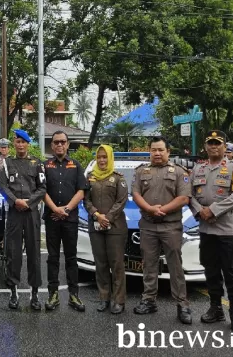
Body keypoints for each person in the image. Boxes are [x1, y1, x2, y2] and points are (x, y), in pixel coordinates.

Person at [190, 130, 233, 332]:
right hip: (207, 230)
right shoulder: (198, 169)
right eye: (210, 143)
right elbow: (189, 196)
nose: (214, 146)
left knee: (231, 273)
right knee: (211, 272)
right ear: (205, 147)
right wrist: (200, 211)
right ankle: (216, 308)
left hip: (229, 232)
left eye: (218, 143)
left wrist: (213, 210)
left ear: (224, 147)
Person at [132, 136, 192, 324]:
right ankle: (149, 300)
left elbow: (184, 198)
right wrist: (150, 209)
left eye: (160, 150)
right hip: (148, 225)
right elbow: (135, 194)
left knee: (175, 266)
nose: (157, 153)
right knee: (148, 264)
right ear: (149, 151)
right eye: (153, 150)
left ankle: (182, 304)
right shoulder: (141, 171)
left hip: (170, 226)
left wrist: (162, 210)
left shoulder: (179, 172)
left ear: (168, 152)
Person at [0, 129, 46, 311]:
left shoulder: (37, 163)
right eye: (17, 142)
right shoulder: (7, 163)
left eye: (23, 142)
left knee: (34, 252)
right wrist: (15, 201)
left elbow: (42, 187)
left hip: (31, 211)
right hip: (14, 212)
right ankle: (13, 292)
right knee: (13, 252)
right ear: (14, 144)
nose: (20, 145)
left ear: (28, 144)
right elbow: (3, 186)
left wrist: (29, 202)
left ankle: (34, 294)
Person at [43, 131, 87, 312]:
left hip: (70, 219)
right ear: (52, 146)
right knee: (52, 258)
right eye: (56, 142)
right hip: (52, 218)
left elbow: (81, 191)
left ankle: (73, 295)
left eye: (63, 142)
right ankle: (53, 294)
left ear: (68, 144)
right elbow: (41, 190)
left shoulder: (75, 165)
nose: (59, 145)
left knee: (71, 257)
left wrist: (67, 209)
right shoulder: (45, 166)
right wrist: (55, 209)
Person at [84, 145, 128, 314]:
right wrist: (97, 215)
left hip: (115, 228)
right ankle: (104, 298)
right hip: (95, 226)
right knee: (101, 264)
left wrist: (107, 217)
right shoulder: (90, 177)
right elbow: (85, 200)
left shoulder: (118, 178)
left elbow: (121, 201)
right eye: (99, 157)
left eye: (105, 157)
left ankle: (119, 300)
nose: (102, 160)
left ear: (110, 159)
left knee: (116, 264)